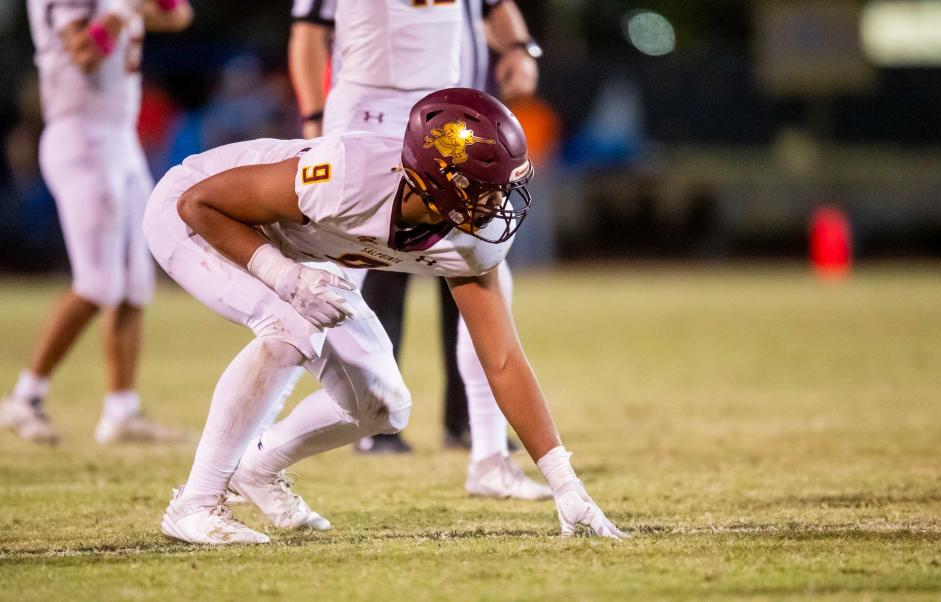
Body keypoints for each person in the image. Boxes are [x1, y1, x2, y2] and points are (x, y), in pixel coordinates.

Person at [145, 88, 627, 544]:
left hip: (292, 249)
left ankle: (259, 467)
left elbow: (502, 360)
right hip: (197, 215)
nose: (499, 204)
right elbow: (199, 203)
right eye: (486, 189)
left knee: (382, 405)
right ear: (439, 184)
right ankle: (196, 503)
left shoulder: (475, 241)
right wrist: (284, 277)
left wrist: (565, 485)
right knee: (290, 323)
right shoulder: (348, 176)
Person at [286, 0, 550, 500]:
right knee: (329, 287)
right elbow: (308, 33)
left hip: (443, 111)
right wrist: (313, 117)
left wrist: (517, 48)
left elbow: (495, 7)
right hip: (366, 110)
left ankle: (488, 456)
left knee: (483, 267)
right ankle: (261, 451)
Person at [1, 0, 193, 445]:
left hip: (118, 138)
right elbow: (85, 53)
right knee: (97, 283)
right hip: (80, 134)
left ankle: (121, 411)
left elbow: (178, 14)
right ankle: (25, 397)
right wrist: (122, 11)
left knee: (134, 283)